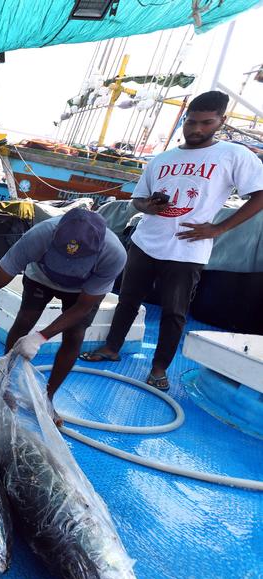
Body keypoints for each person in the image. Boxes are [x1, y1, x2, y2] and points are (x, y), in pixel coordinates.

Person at [81, 91, 263, 391]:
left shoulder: (233, 155)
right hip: (145, 242)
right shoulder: (163, 159)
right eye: (191, 122)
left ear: (221, 121)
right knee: (127, 300)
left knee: (174, 312)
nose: (196, 129)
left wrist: (219, 229)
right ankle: (111, 348)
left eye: (206, 123)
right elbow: (137, 200)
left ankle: (159, 368)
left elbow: (258, 195)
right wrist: (147, 206)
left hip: (188, 250)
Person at [0, 210, 127, 425]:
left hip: (82, 290)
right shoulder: (39, 235)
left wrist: (40, 338)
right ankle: (4, 383)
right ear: (54, 237)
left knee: (75, 335)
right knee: (25, 320)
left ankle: (48, 398)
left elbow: (83, 307)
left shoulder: (114, 254)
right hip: (41, 277)